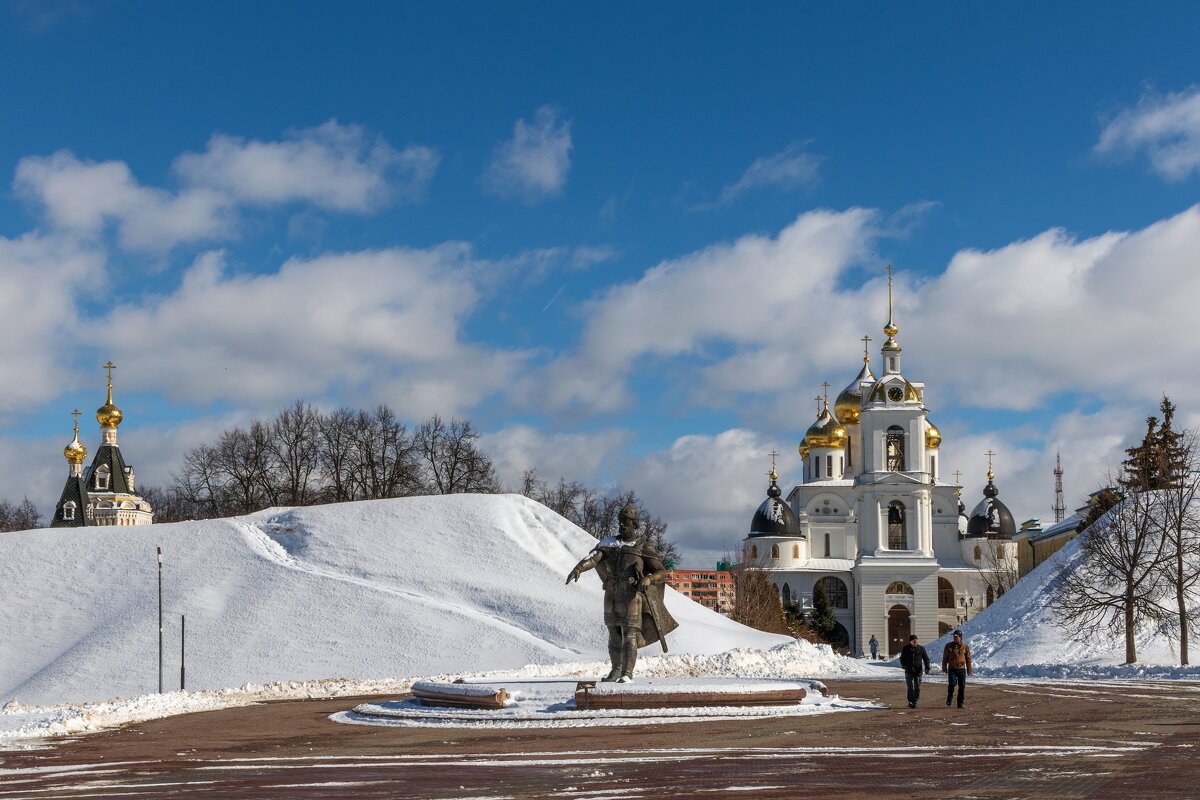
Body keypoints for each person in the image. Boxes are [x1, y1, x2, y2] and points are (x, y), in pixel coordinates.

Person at [566, 503, 679, 682]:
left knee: (629, 635)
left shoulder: (643, 547)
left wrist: (648, 579)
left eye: (625, 522)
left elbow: (661, 572)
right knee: (613, 635)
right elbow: (594, 558)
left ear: (634, 524)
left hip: (631, 596)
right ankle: (616, 670)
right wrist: (579, 568)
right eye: (620, 521)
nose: (621, 525)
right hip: (611, 594)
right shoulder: (609, 544)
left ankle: (627, 673)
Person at [942, 629, 973, 708]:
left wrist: (969, 669)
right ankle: (950, 697)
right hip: (952, 668)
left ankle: (960, 703)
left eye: (956, 637)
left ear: (960, 637)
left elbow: (968, 658)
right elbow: (945, 658)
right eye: (954, 637)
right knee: (952, 684)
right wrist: (944, 668)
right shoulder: (948, 646)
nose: (954, 638)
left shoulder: (965, 647)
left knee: (962, 686)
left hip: (961, 669)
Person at [899, 634, 930, 708]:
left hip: (918, 671)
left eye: (916, 640)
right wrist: (904, 666)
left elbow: (926, 659)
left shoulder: (921, 648)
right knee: (910, 686)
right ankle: (911, 701)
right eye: (913, 640)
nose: (915, 641)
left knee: (917, 687)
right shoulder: (905, 648)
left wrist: (927, 667)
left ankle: (915, 700)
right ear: (910, 641)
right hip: (909, 671)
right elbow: (901, 658)